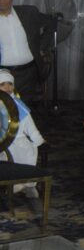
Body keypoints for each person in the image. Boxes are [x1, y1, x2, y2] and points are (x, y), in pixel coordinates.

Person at [0, 0, 52, 107]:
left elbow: (51, 23)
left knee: (26, 110)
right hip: (2, 76)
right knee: (4, 111)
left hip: (28, 74)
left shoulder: (29, 13)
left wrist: (41, 46)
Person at [0, 69, 45, 197]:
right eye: (2, 84)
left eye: (10, 84)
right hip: (2, 142)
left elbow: (30, 126)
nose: (7, 87)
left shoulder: (18, 106)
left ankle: (26, 184)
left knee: (24, 154)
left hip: (17, 140)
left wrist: (38, 139)